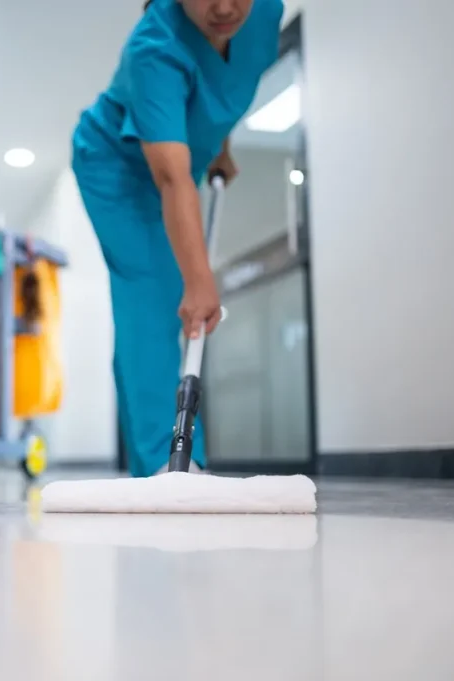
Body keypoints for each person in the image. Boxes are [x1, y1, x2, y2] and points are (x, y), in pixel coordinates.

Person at [72, 0, 284, 477]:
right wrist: (199, 281)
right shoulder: (154, 50)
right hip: (118, 171)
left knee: (164, 299)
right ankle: (167, 466)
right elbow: (170, 177)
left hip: (182, 165)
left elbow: (225, 94)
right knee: (154, 298)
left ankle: (169, 460)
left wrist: (219, 147)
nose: (225, 7)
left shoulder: (266, 13)